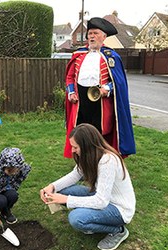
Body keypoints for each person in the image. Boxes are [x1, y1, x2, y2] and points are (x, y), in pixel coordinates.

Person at [40, 123, 136, 250]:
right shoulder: (89, 156)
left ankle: (118, 230)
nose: (72, 150)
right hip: (101, 197)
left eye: (75, 147)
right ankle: (91, 220)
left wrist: (67, 200)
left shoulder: (107, 161)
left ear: (86, 146)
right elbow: (75, 175)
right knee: (61, 191)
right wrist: (52, 186)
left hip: (119, 209)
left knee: (76, 219)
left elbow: (101, 201)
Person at [64, 17, 136, 158]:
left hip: (101, 101)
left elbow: (118, 82)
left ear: (104, 36)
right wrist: (71, 92)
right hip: (80, 100)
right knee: (80, 131)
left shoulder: (111, 56)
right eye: (90, 33)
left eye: (95, 33)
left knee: (99, 133)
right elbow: (70, 77)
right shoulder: (78, 55)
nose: (91, 36)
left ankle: (100, 161)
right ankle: (83, 161)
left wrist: (106, 89)